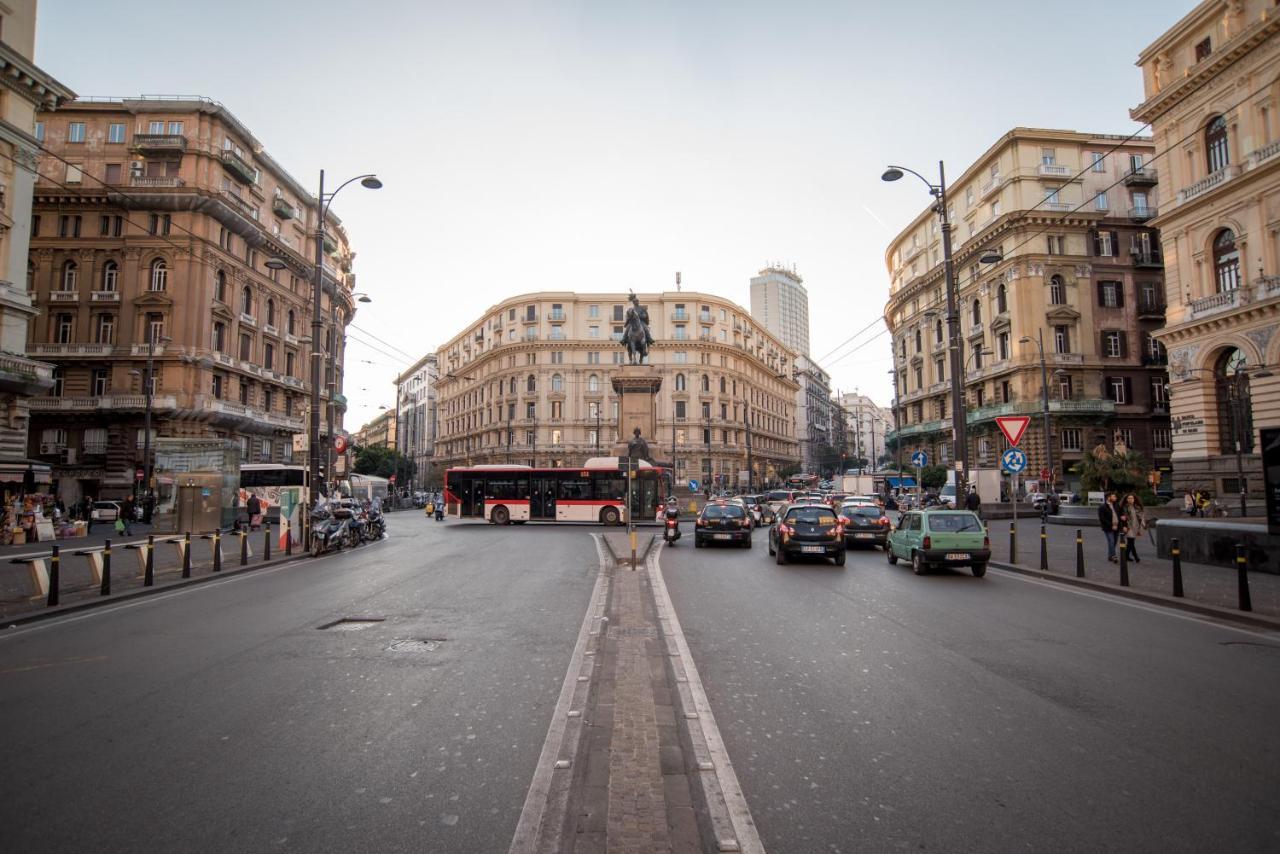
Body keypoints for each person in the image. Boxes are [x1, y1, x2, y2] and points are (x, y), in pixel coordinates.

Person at [1121, 493, 1146, 562]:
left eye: (1132, 498)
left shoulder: (1137, 507)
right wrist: (1124, 526)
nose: (1130, 499)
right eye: (1128, 498)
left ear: (1134, 499)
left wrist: (1143, 525)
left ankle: (1126, 556)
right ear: (1126, 499)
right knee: (1130, 541)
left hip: (1136, 526)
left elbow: (1141, 517)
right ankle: (1136, 557)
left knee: (1131, 542)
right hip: (1129, 526)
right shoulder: (1124, 507)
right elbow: (1123, 517)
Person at [1098, 492, 1121, 562]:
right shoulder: (1102, 507)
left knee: (1114, 542)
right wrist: (1111, 525)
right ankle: (1114, 556)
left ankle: (1110, 556)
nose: (1115, 498)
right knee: (1111, 541)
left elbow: (1120, 514)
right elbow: (1102, 518)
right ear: (1108, 497)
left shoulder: (1116, 505)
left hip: (1117, 527)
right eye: (1113, 497)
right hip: (1108, 528)